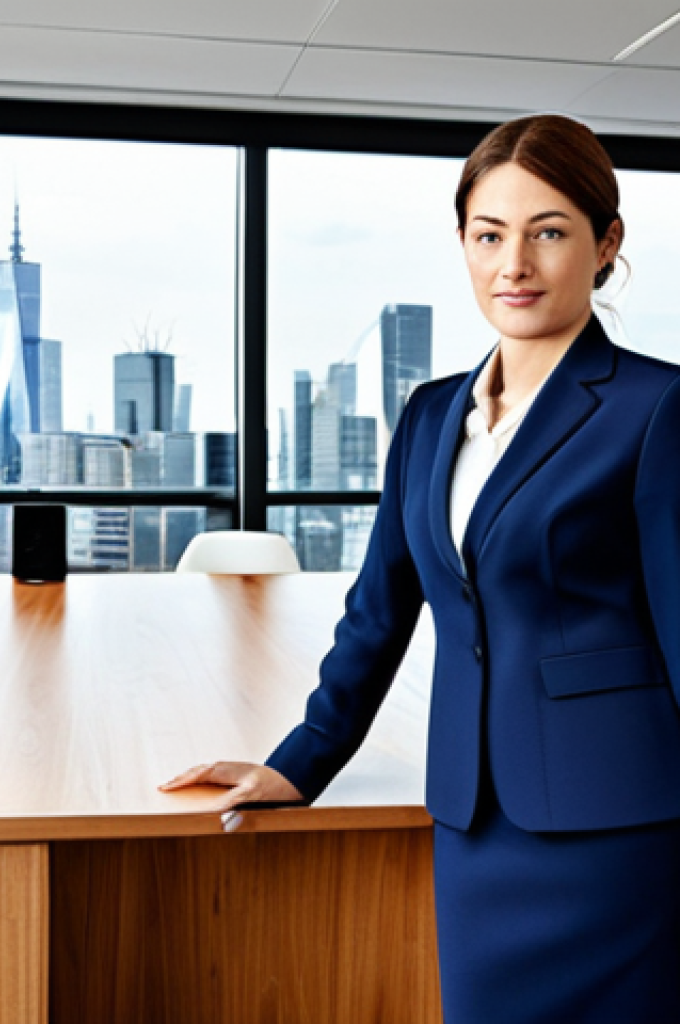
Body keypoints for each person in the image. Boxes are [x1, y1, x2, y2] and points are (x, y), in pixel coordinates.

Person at [161, 114, 680, 1023]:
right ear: (463, 245)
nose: (513, 264)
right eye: (490, 235)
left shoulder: (656, 407)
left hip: (617, 829)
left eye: (548, 231)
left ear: (606, 245)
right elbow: (379, 611)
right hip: (475, 822)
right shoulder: (431, 414)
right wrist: (303, 762)